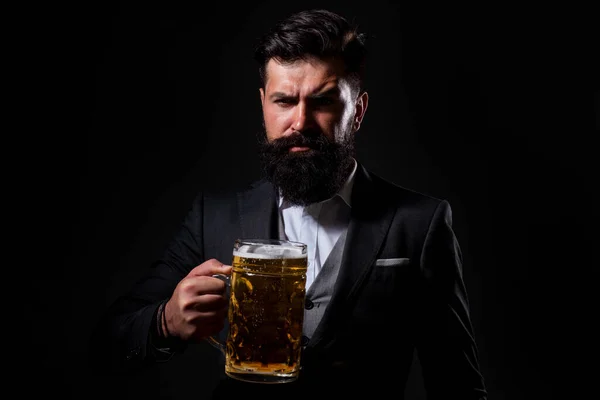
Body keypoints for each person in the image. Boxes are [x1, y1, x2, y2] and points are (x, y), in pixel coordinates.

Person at [89, 8, 487, 399]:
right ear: (264, 104)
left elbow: (457, 383)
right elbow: (107, 343)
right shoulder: (214, 216)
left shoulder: (420, 223)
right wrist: (167, 321)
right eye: (284, 101)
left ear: (358, 111)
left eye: (323, 102)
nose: (300, 122)